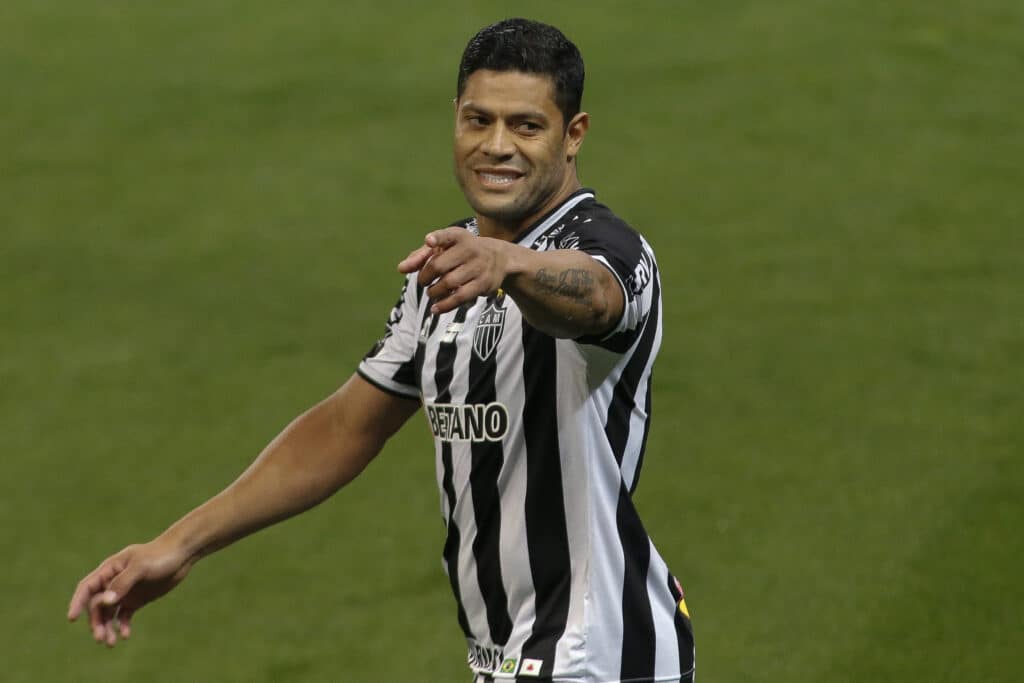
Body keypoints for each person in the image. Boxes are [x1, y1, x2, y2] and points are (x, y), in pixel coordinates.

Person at [67, 18, 695, 683]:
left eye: (526, 126)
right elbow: (346, 426)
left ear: (574, 136)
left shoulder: (609, 249)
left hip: (595, 655)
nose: (497, 146)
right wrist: (179, 545)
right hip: (513, 655)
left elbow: (596, 298)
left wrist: (508, 263)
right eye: (478, 120)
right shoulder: (449, 268)